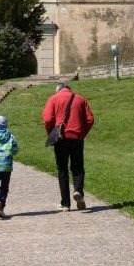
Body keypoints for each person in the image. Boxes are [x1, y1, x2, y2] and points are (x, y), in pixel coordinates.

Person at [42, 82, 95, 211]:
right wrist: (82, 133)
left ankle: (65, 204)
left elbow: (48, 119)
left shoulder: (53, 98)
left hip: (60, 138)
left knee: (62, 170)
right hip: (77, 138)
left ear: (58, 90)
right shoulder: (80, 99)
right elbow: (90, 119)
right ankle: (78, 191)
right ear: (69, 89)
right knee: (78, 168)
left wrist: (51, 133)